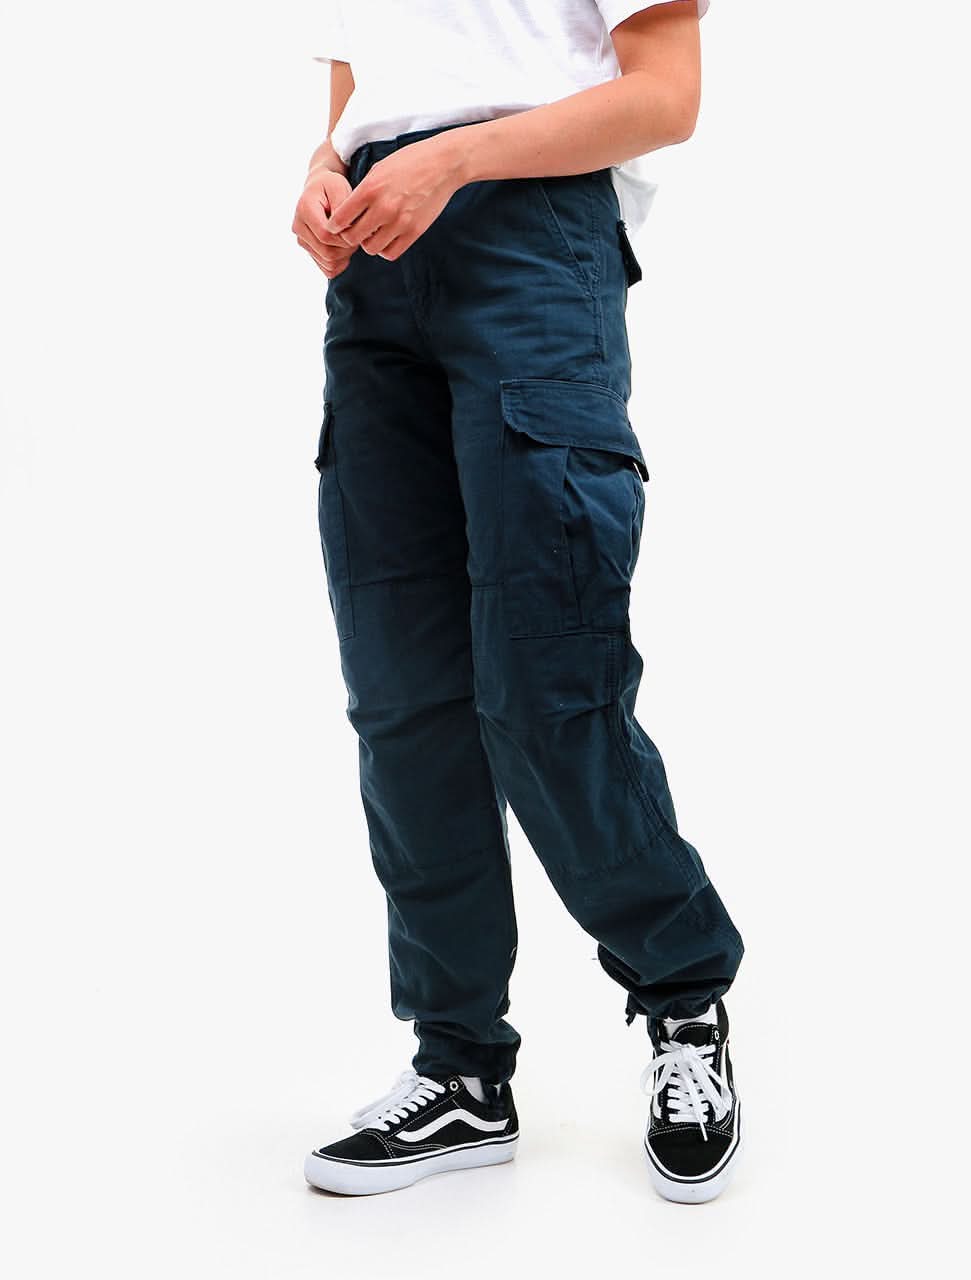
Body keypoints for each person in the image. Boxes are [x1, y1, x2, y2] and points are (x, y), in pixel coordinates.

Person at [292, 0, 744, 1204]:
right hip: (374, 273)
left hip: (530, 242)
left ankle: (683, 995)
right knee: (404, 698)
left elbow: (665, 97)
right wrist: (320, 174)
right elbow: (360, 103)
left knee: (547, 682)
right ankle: (459, 1069)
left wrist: (455, 160)